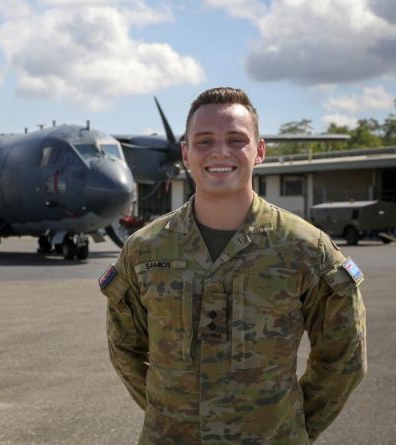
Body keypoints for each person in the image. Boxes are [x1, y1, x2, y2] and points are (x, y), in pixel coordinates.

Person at [99, 87, 366, 444]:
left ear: (259, 151)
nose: (220, 152)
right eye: (204, 141)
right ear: (186, 154)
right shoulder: (145, 249)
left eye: (236, 139)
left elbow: (344, 357)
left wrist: (291, 425)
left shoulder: (307, 249)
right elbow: (124, 349)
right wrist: (171, 415)